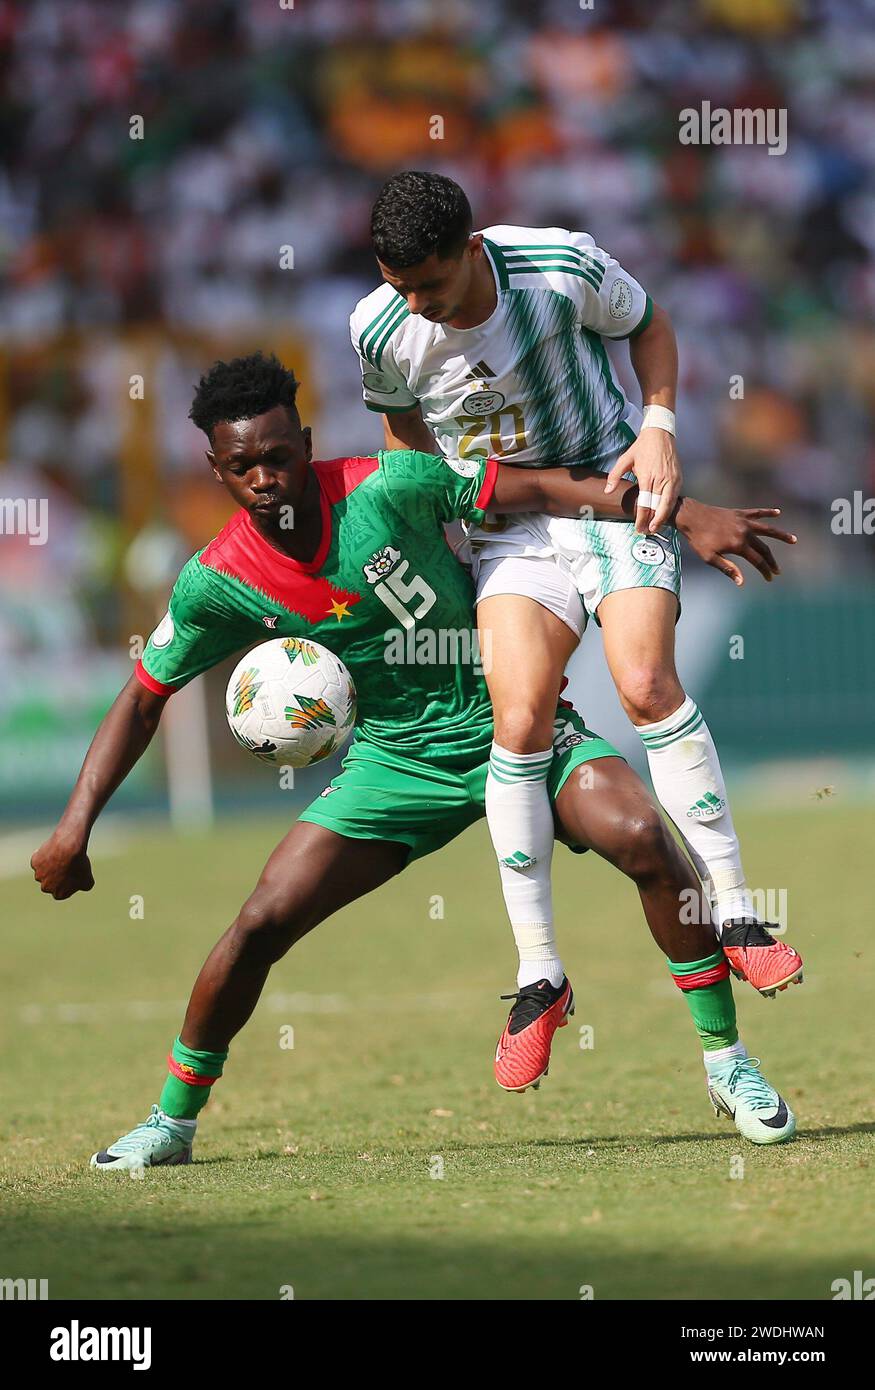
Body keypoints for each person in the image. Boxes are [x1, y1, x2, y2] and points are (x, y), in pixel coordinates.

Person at [31, 353, 797, 1168]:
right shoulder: (217, 582)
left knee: (644, 833)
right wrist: (73, 827)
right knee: (258, 924)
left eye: (278, 455)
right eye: (241, 465)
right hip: (393, 765)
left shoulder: (388, 487)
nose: (264, 477)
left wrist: (680, 513)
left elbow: (543, 490)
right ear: (214, 468)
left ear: (307, 441)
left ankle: (727, 1063)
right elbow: (144, 696)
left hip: (514, 724)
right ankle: (172, 1121)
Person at [351, 170, 803, 1092]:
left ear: (470, 251)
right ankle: (538, 978)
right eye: (401, 288)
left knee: (642, 684)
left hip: (612, 494)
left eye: (430, 287)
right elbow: (405, 443)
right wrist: (441, 543)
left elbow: (650, 324)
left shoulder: (556, 266)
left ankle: (738, 914)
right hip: (505, 528)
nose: (419, 307)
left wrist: (662, 426)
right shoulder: (378, 327)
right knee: (516, 723)